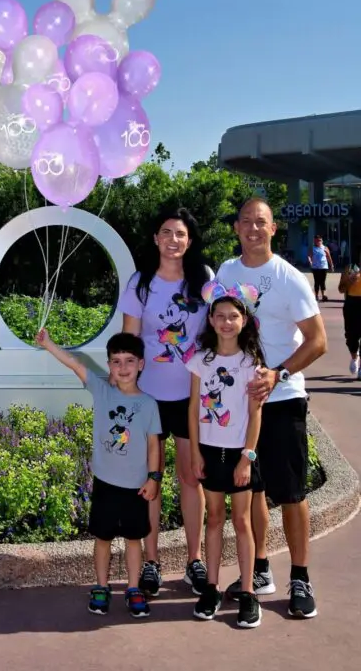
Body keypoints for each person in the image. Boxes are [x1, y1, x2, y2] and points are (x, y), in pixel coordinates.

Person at [216, 198, 327, 619]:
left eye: (260, 222)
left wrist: (277, 373)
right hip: (241, 405)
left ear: (273, 229)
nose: (253, 228)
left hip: (282, 398)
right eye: (246, 221)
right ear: (236, 228)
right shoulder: (226, 273)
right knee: (253, 489)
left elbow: (318, 341)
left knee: (292, 492)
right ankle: (261, 569)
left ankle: (301, 576)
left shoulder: (289, 277)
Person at [35, 328, 162, 619]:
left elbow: (154, 445)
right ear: (109, 366)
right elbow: (75, 364)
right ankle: (101, 587)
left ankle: (133, 588)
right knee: (103, 538)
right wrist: (48, 344)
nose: (123, 367)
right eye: (116, 361)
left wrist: (153, 479)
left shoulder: (149, 404)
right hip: (106, 484)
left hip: (137, 488)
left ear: (141, 364)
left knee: (134, 539)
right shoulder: (101, 390)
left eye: (129, 361)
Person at [120, 207, 211, 599]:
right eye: (166, 233)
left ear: (189, 241)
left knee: (192, 477)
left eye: (181, 234)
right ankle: (152, 563)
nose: (174, 240)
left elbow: (224, 326)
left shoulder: (204, 280)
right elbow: (129, 342)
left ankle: (194, 559)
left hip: (193, 397)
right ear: (156, 239)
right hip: (151, 400)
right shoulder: (141, 283)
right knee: (150, 483)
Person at [188, 281, 265, 629]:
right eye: (219, 316)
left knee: (242, 521)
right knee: (214, 519)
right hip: (209, 450)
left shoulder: (252, 363)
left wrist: (247, 458)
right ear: (211, 319)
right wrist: (195, 453)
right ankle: (212, 588)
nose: (226, 322)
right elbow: (193, 409)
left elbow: (255, 413)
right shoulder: (200, 359)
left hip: (240, 454)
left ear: (244, 320)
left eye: (233, 316)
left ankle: (248, 592)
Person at [338, 260, 361, 378]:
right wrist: (349, 280)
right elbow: (341, 289)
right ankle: (354, 357)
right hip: (351, 304)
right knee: (351, 336)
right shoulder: (350, 267)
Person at [308, 234, 334, 301]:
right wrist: (310, 261)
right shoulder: (313, 248)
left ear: (322, 241)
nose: (318, 242)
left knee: (322, 282)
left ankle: (323, 295)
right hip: (315, 267)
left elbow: (329, 257)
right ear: (314, 241)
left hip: (323, 267)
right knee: (316, 281)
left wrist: (331, 265)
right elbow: (309, 256)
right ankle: (316, 296)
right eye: (317, 240)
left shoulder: (325, 248)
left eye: (320, 240)